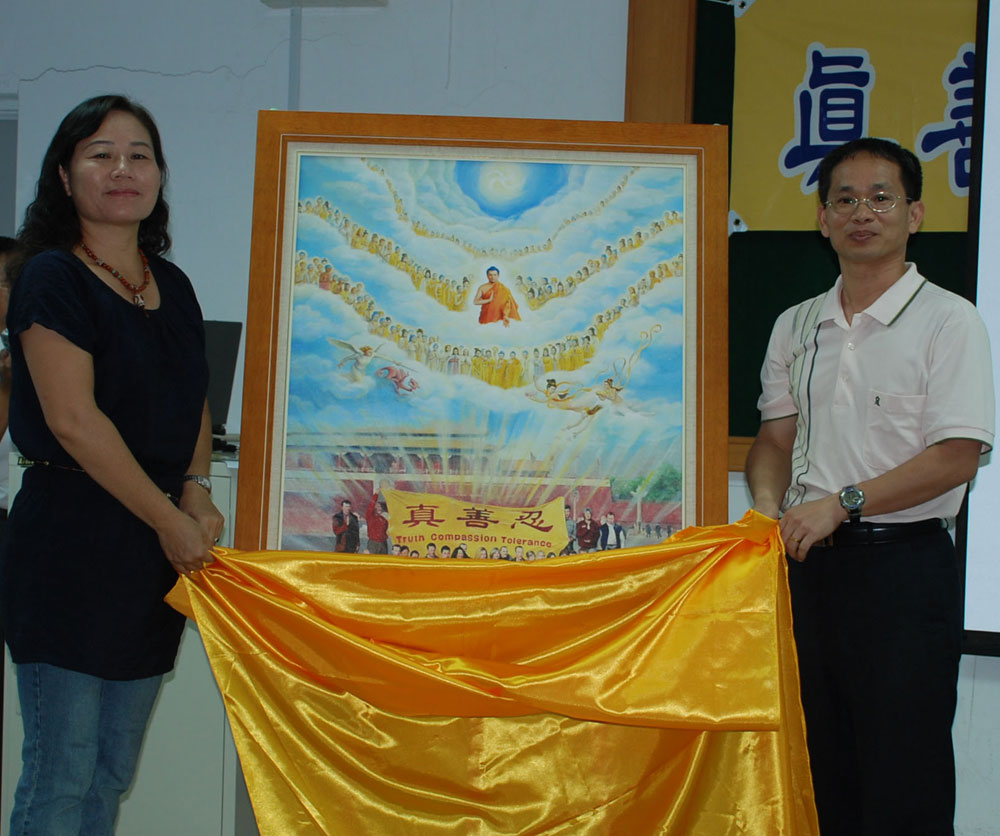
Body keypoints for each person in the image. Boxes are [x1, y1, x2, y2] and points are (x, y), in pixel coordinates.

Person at [745, 138, 994, 836]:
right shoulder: (796, 324)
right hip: (805, 570)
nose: (863, 213)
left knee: (901, 777)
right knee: (818, 769)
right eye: (845, 200)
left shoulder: (950, 320)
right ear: (822, 219)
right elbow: (774, 442)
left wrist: (842, 503)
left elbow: (957, 457)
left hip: (903, 573)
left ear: (914, 214)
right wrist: (765, 508)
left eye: (881, 198)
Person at [0, 95, 224, 836]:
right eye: (100, 154)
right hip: (70, 543)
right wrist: (169, 519)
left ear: (159, 175)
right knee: (61, 775)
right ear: (65, 177)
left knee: (110, 773)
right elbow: (73, 420)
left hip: (149, 550)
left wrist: (196, 490)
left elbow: (193, 397)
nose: (122, 169)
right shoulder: (51, 277)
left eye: (139, 155)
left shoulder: (174, 283)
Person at [364, 483, 389, 554]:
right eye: (377, 505)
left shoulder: (385, 517)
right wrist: (376, 495)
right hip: (373, 543)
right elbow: (370, 506)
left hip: (383, 542)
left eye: (380, 506)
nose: (379, 507)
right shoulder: (370, 516)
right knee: (372, 559)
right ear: (374, 506)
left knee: (383, 560)